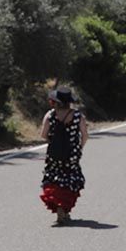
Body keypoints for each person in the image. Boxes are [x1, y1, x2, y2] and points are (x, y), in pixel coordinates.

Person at [39, 87, 89, 226]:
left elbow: (43, 135)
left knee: (54, 178)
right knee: (70, 179)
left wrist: (53, 143)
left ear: (55, 101)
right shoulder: (78, 116)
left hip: (54, 154)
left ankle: (58, 207)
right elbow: (85, 135)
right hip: (72, 154)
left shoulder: (50, 115)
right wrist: (79, 148)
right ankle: (65, 209)